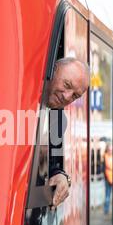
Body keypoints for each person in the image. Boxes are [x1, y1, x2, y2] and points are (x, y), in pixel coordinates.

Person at [45, 57, 89, 208]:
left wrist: (62, 176)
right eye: (66, 84)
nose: (67, 96)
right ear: (53, 70)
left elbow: (54, 164)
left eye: (75, 96)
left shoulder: (58, 119)